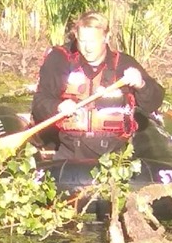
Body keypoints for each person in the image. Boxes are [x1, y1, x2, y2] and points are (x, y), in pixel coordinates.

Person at [31, 10, 164, 161]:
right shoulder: (60, 61)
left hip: (114, 155)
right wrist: (57, 107)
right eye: (82, 41)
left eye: (93, 42)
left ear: (106, 38)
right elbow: (39, 103)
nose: (87, 48)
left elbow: (154, 103)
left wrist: (141, 85)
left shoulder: (124, 64)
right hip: (70, 152)